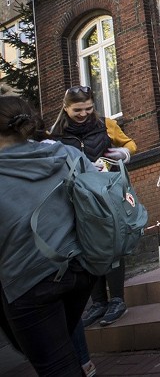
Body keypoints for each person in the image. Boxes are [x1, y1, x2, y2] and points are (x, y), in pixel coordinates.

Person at [0, 95, 96, 376]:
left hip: (28, 281)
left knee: (55, 364)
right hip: (81, 269)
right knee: (60, 349)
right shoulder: (66, 153)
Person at [51, 85, 136, 328]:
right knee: (86, 247)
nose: (84, 114)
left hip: (106, 192)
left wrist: (121, 154)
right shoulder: (55, 134)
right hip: (76, 195)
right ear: (65, 107)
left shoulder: (106, 124)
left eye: (88, 108)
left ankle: (117, 300)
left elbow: (130, 144)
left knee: (111, 243)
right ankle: (98, 302)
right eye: (77, 110)